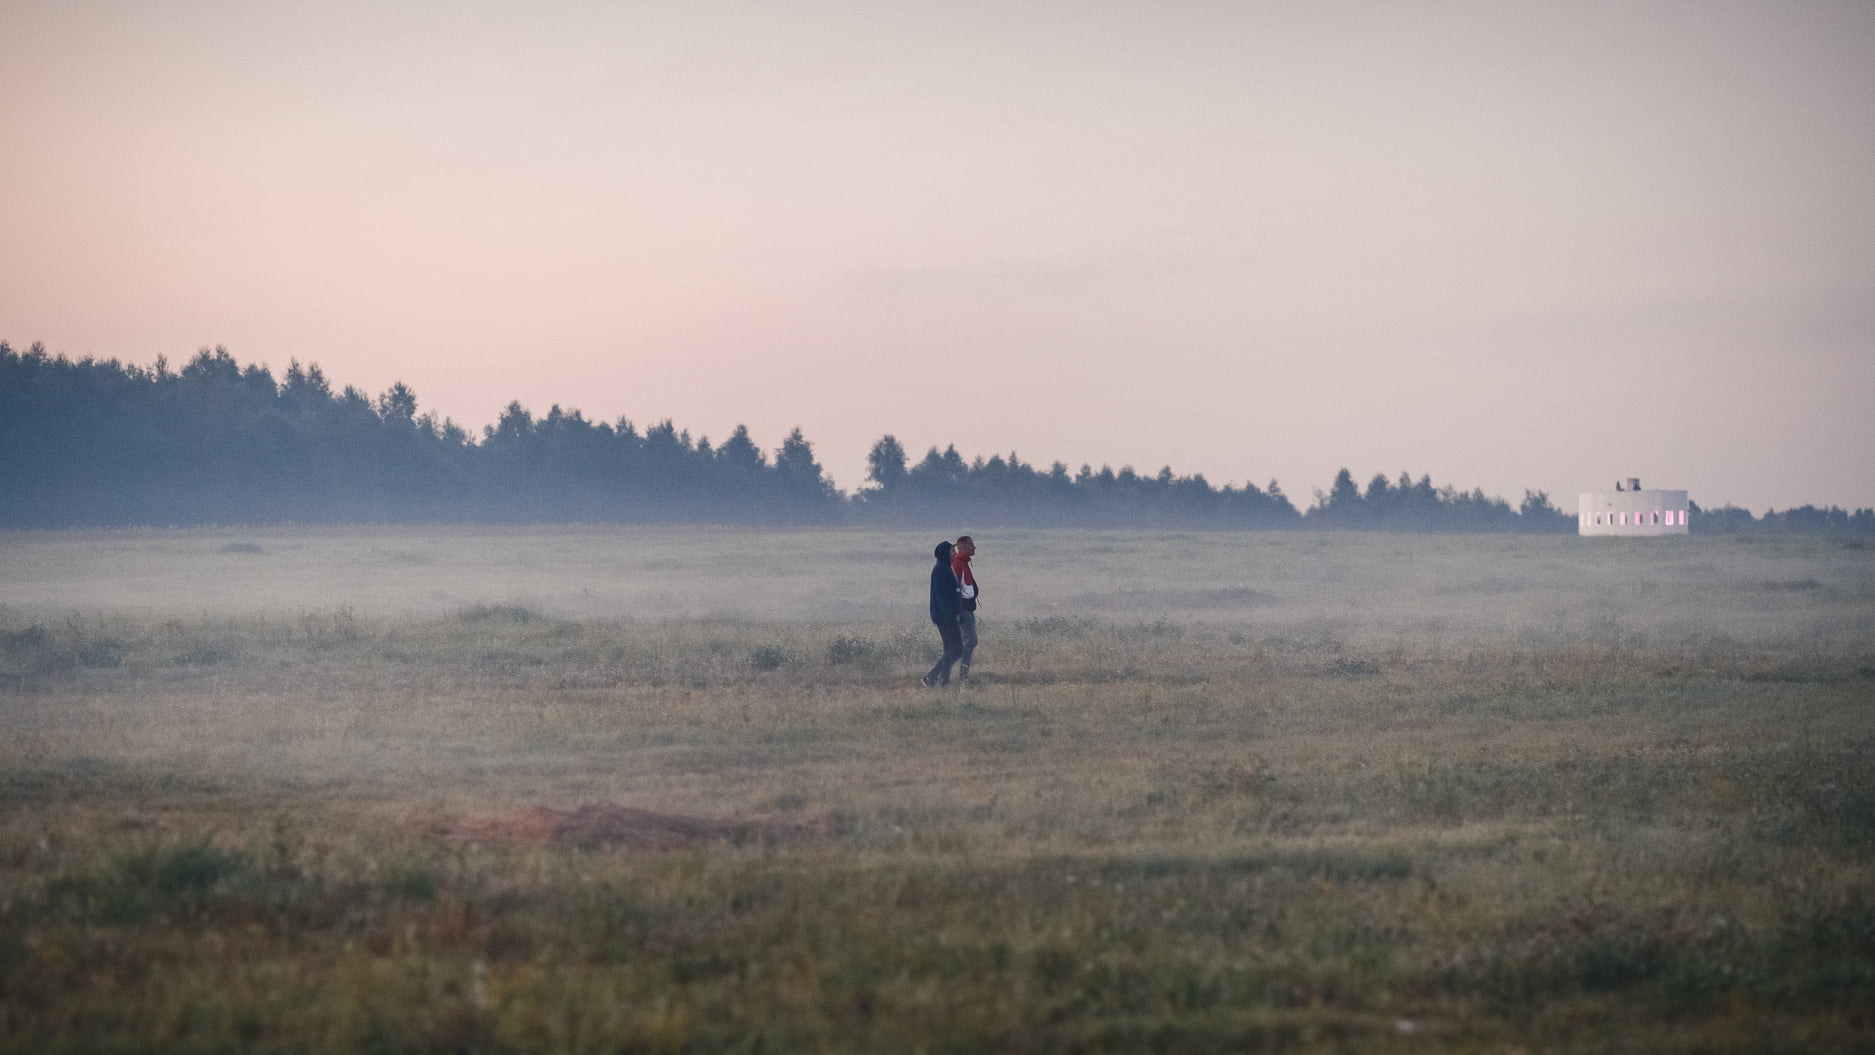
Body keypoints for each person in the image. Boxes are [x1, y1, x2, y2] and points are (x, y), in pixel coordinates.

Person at [921, 540, 963, 687]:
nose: (955, 553)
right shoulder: (941, 569)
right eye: (953, 551)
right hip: (946, 618)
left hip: (945, 616)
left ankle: (943, 680)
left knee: (949, 649)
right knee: (957, 649)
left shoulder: (943, 567)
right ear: (946, 552)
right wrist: (951, 616)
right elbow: (942, 596)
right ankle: (931, 677)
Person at [951, 535, 980, 684]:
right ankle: (963, 676)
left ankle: (958, 675)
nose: (974, 547)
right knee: (971, 641)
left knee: (966, 642)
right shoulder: (958, 564)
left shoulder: (964, 563)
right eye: (971, 545)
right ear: (963, 547)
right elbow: (953, 588)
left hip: (968, 608)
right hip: (963, 610)